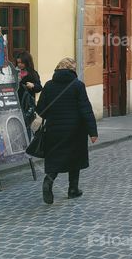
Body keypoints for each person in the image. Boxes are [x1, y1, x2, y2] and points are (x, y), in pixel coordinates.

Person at [36, 57, 98, 204]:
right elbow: (86, 109)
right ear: (72, 70)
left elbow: (41, 110)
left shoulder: (49, 86)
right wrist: (92, 132)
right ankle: (73, 189)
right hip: (75, 130)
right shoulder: (77, 86)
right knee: (74, 159)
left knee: (55, 159)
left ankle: (48, 182)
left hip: (54, 129)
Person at [15, 52, 42, 138]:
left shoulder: (32, 73)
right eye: (18, 62)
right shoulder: (14, 72)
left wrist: (33, 85)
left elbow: (39, 87)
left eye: (22, 63)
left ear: (27, 62)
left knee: (26, 125)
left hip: (27, 105)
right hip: (15, 102)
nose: (19, 65)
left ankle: (27, 144)